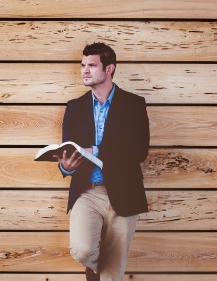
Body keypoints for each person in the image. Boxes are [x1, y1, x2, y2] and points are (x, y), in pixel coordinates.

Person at [54, 42, 150, 281]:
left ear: (109, 69)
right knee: (83, 250)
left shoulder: (134, 104)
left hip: (125, 190)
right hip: (87, 191)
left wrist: (95, 149)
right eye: (83, 65)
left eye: (92, 65)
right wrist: (65, 167)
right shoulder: (74, 107)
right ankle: (94, 268)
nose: (85, 70)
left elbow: (139, 151)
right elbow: (69, 150)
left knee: (113, 274)